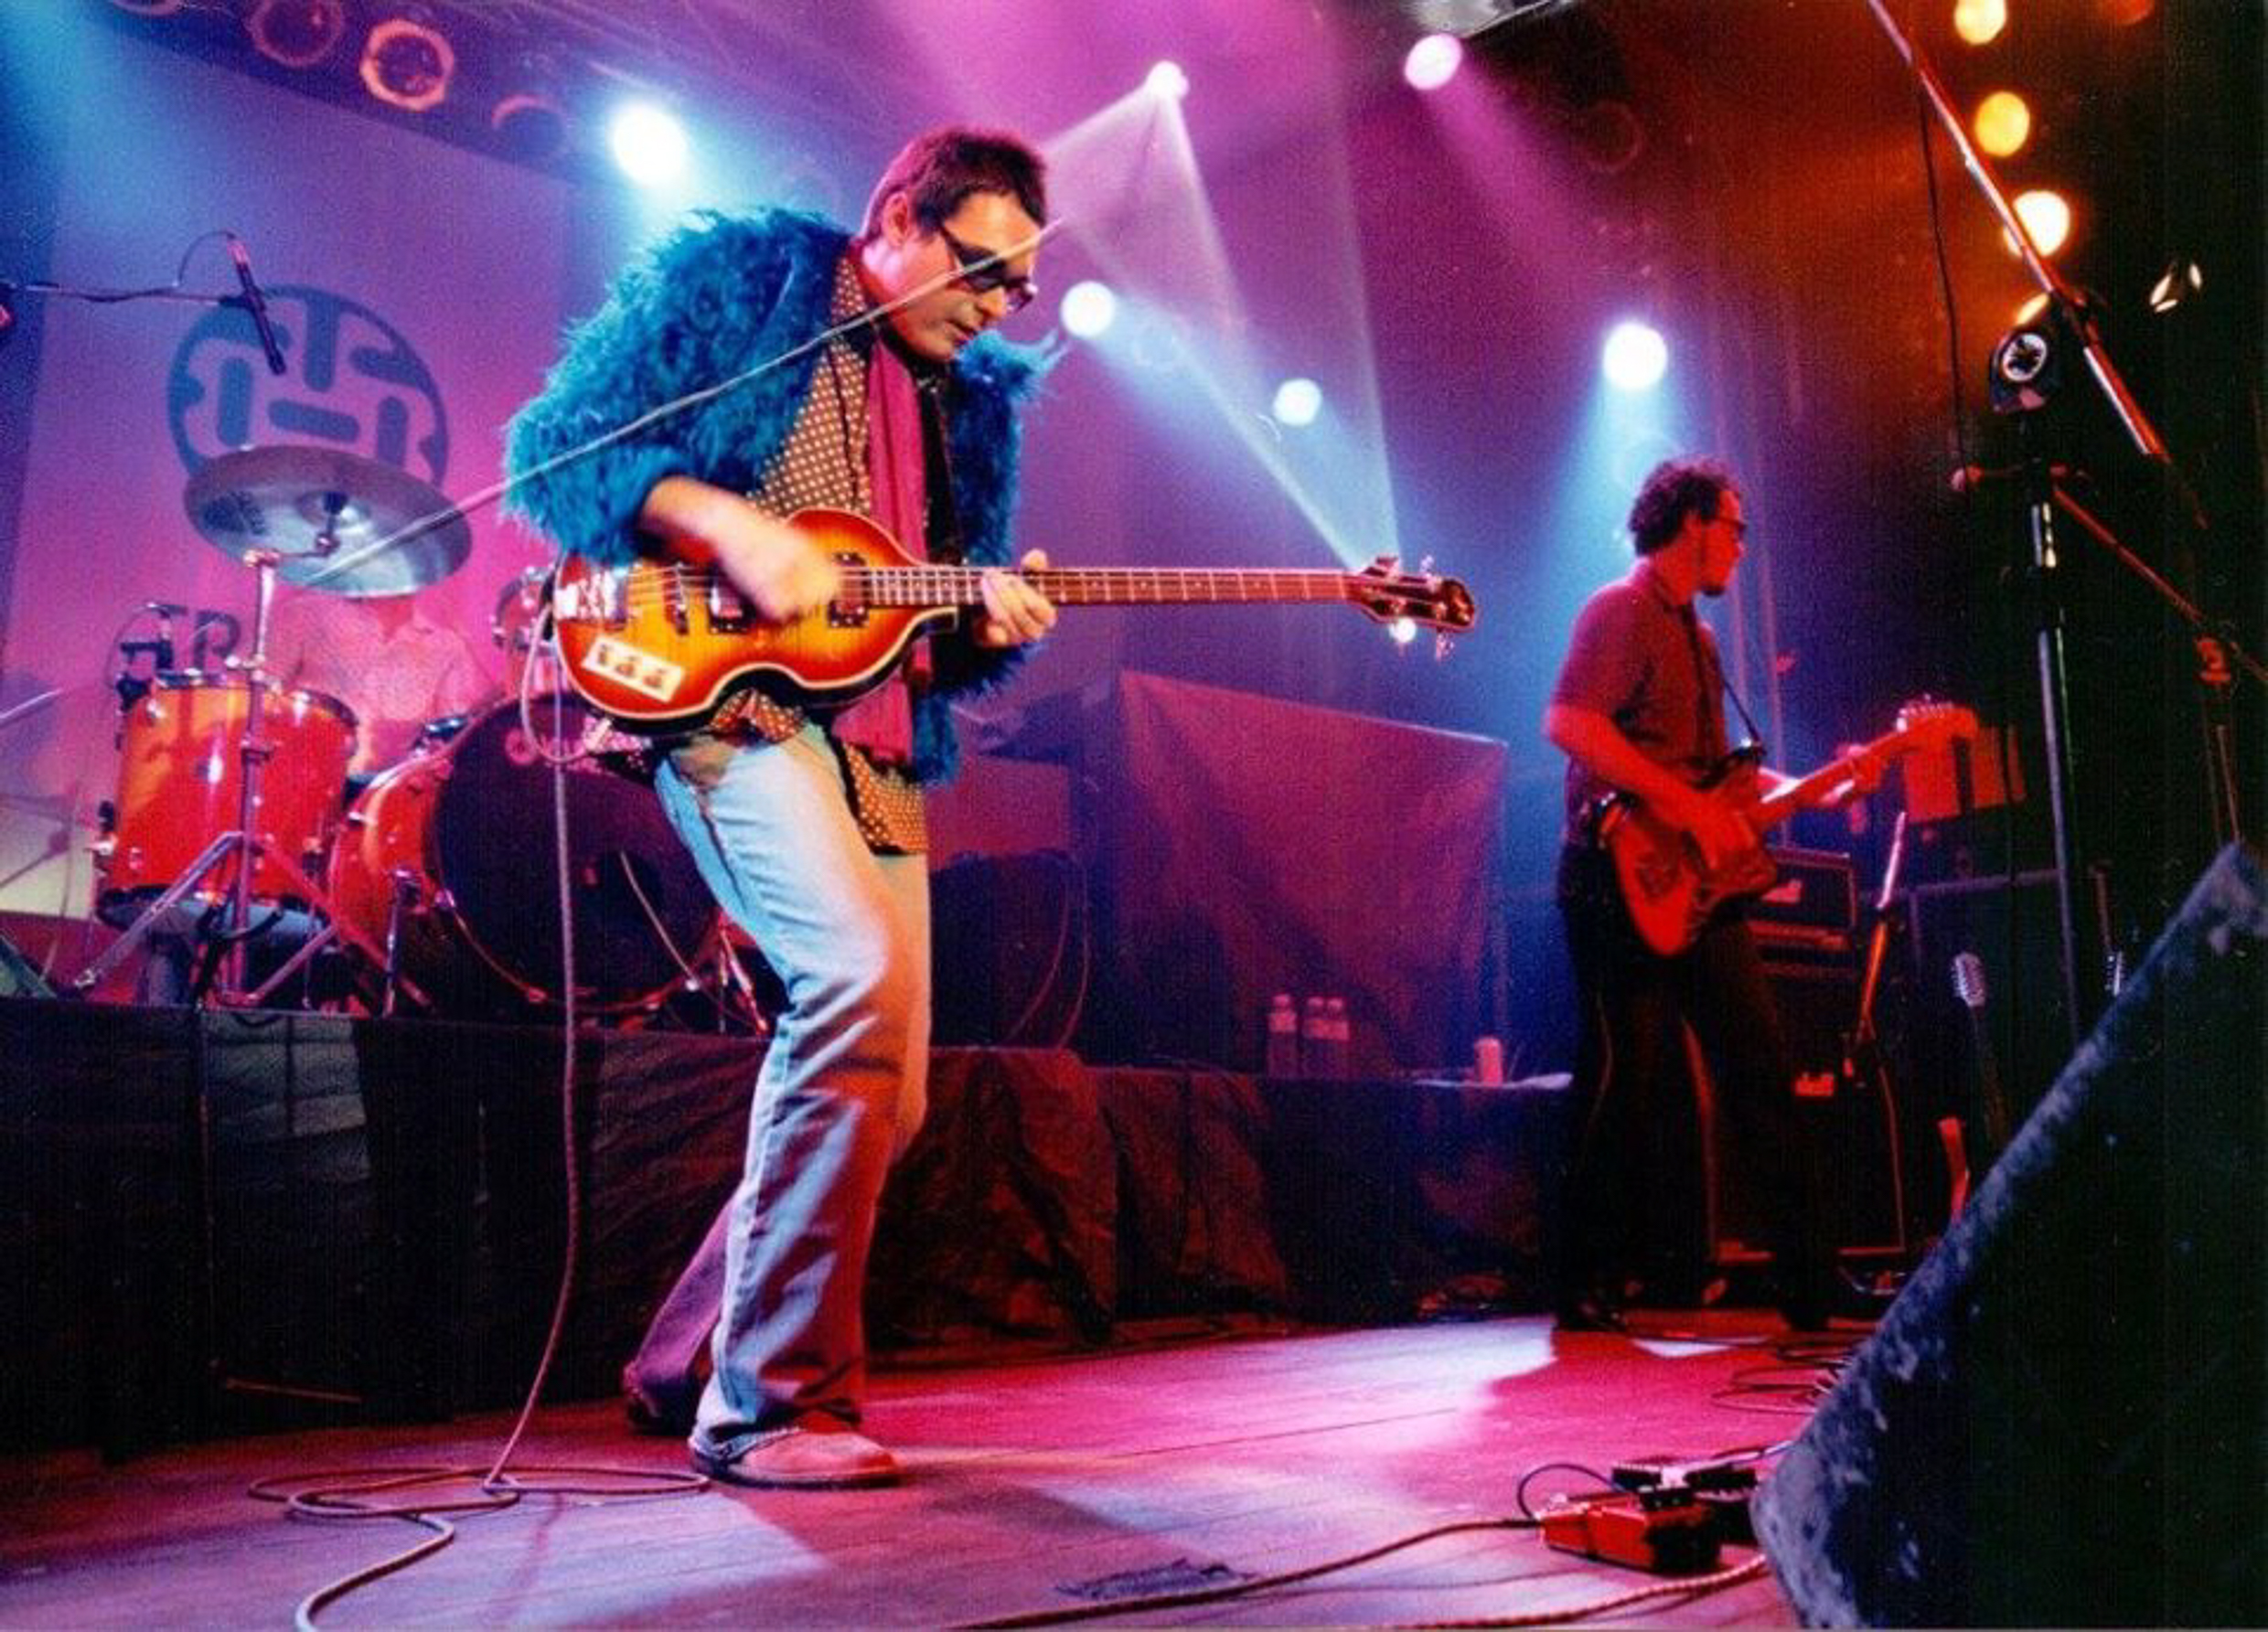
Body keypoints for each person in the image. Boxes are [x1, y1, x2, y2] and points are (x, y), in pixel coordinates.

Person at [504, 127, 1058, 1488]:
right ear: (899, 219)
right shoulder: (751, 285)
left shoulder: (971, 403)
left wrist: (987, 620)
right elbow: (554, 452)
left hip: (876, 746)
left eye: (1021, 288)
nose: (1000, 307)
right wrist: (728, 523)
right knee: (852, 986)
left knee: (889, 1099)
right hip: (730, 710)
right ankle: (766, 1407)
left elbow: (916, 619)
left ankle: (683, 1358)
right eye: (982, 270)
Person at [1545, 456, 1863, 1333]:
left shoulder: (1703, 639)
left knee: (1760, 1066)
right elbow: (1569, 723)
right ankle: (1581, 1276)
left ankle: (1810, 1278)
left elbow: (1719, 779)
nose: (1742, 547)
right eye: (1735, 528)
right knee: (1624, 1074)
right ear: (1693, 522)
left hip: (1697, 889)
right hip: (1614, 879)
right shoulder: (1618, 610)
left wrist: (1817, 788)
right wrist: (1685, 806)